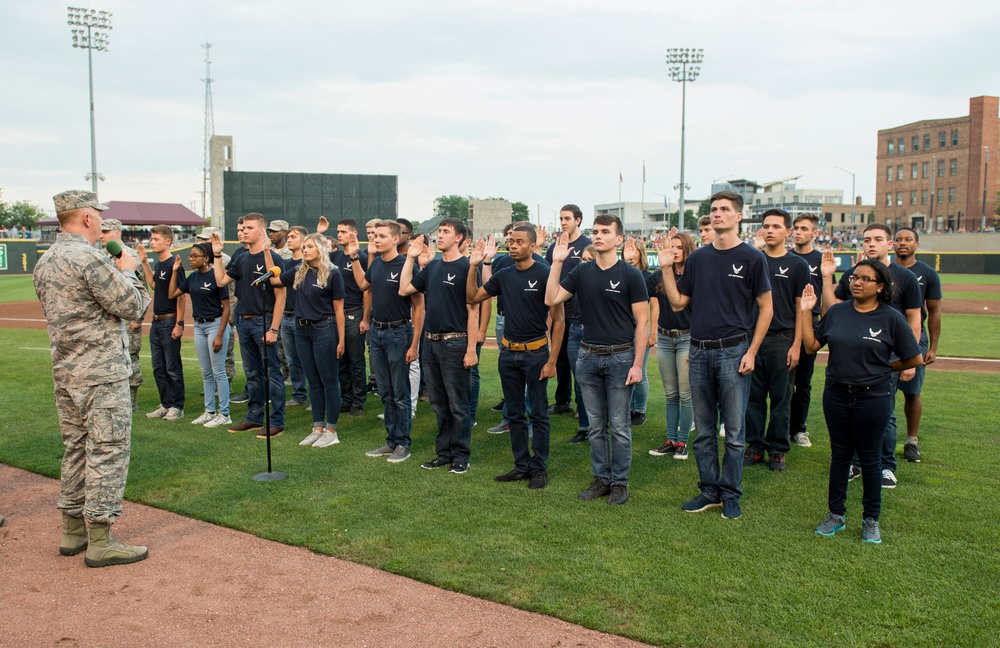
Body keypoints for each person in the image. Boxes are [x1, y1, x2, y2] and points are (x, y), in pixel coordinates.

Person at [33, 189, 151, 567]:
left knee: (76, 448)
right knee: (107, 449)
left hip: (66, 372)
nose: (101, 221)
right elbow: (133, 305)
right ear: (86, 218)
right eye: (97, 215)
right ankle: (101, 538)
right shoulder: (88, 258)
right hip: (101, 373)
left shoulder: (47, 260)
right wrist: (129, 268)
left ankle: (72, 530)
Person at [657, 192, 773, 520]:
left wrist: (752, 351)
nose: (718, 214)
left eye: (725, 210)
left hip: (734, 351)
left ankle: (730, 493)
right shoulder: (698, 259)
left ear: (738, 216)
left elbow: (766, 307)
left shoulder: (752, 258)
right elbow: (678, 302)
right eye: (714, 210)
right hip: (699, 351)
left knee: (734, 433)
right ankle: (709, 490)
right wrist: (667, 268)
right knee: (705, 430)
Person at [802, 261, 922, 544]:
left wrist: (883, 368)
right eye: (854, 277)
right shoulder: (837, 313)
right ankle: (836, 515)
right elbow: (811, 346)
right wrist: (805, 312)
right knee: (840, 457)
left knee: (870, 459)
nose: (856, 282)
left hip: (873, 397)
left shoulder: (891, 318)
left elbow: (914, 357)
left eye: (865, 279)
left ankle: (871, 520)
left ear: (880, 287)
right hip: (836, 395)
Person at [546, 215, 648, 505]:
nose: (598, 235)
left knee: (619, 426)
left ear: (619, 239)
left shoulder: (631, 274)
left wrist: (638, 364)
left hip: (620, 358)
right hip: (588, 357)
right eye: (595, 231)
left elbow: (643, 322)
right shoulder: (581, 272)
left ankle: (620, 483)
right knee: (595, 426)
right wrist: (556, 262)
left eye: (606, 232)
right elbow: (552, 298)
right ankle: (601, 479)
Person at [822, 223, 922, 489]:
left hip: (886, 357)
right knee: (853, 414)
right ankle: (855, 463)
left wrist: (906, 360)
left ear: (889, 244)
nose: (871, 244)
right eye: (867, 240)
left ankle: (886, 466)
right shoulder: (853, 275)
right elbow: (834, 311)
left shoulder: (906, 278)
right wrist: (828, 278)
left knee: (885, 415)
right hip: (855, 357)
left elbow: (914, 317)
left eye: (878, 239)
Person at [469, 227, 564, 489]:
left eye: (519, 242)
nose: (512, 246)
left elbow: (559, 320)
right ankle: (521, 465)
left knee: (539, 414)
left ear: (532, 246)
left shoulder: (545, 273)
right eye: (510, 241)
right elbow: (473, 297)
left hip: (536, 355)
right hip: (508, 354)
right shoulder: (503, 274)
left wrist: (552, 360)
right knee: (515, 414)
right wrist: (473, 267)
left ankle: (539, 468)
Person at [399, 219, 479, 474]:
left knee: (458, 403)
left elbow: (473, 309)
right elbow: (404, 290)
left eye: (446, 232)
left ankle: (461, 456)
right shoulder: (432, 267)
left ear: (459, 238)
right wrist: (410, 259)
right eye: (439, 231)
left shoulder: (467, 267)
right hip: (430, 342)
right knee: (438, 403)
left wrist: (469, 349)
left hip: (455, 342)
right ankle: (443, 453)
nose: (440, 235)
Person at [743, 209, 809, 473]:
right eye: (766, 226)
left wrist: (796, 344)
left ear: (787, 232)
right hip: (753, 339)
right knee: (753, 396)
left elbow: (801, 308)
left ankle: (778, 449)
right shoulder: (753, 260)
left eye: (776, 227)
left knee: (781, 398)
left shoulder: (797, 265)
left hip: (783, 338)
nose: (769, 231)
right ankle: (756, 446)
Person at [352, 220, 424, 463]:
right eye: (374, 236)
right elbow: (363, 285)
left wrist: (414, 344)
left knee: (399, 392)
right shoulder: (378, 264)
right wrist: (354, 259)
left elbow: (419, 307)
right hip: (378, 333)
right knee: (385, 391)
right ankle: (391, 440)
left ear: (396, 239)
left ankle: (403, 443)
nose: (376, 239)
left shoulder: (406, 264)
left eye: (382, 236)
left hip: (398, 333)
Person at [210, 214, 287, 438]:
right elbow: (221, 281)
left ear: (261, 231)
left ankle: (277, 422)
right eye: (242, 228)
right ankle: (254, 418)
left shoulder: (273, 259)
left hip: (263, 321)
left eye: (249, 228)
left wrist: (273, 329)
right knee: (252, 373)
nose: (243, 231)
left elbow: (281, 297)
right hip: (244, 322)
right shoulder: (241, 258)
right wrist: (216, 255)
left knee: (272, 373)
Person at [269, 233, 345, 447]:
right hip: (302, 331)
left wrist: (341, 340)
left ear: (320, 248)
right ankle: (317, 427)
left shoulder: (333, 274)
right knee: (313, 381)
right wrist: (267, 253)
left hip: (324, 329)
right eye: (304, 247)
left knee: (329, 381)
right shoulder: (298, 271)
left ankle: (331, 431)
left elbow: (339, 309)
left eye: (309, 246)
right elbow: (274, 280)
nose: (305, 250)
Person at [168, 242, 232, 428]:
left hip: (215, 325)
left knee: (218, 371)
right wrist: (174, 271)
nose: (191, 259)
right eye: (190, 256)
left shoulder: (217, 276)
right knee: (206, 372)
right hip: (199, 326)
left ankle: (225, 413)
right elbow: (172, 294)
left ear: (206, 258)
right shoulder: (193, 277)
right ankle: (209, 411)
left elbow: (226, 308)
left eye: (195, 256)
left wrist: (220, 334)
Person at [892, 227, 942, 463]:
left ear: (917, 244)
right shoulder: (882, 271)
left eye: (908, 239)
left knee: (912, 392)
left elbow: (933, 311)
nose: (903, 243)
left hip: (914, 339)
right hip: (883, 339)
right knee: (882, 394)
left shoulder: (927, 273)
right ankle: (881, 442)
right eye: (899, 239)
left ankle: (912, 441)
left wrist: (931, 347)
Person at [647, 232, 695, 460]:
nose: (675, 251)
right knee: (671, 394)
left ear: (688, 249)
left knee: (686, 394)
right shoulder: (659, 275)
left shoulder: (695, 275)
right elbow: (635, 283)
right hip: (665, 339)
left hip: (688, 338)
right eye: (672, 247)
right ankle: (670, 439)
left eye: (679, 247)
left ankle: (683, 441)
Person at [545, 204, 591, 420]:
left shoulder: (587, 245)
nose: (563, 222)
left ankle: (583, 404)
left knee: (579, 361)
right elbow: (548, 275)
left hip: (579, 309)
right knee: (560, 356)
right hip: (557, 307)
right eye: (561, 218)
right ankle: (563, 401)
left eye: (567, 218)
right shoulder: (554, 247)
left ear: (578, 220)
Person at [137, 224, 186, 421]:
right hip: (156, 323)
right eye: (152, 239)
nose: (152, 242)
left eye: (156, 239)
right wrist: (145, 263)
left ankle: (177, 406)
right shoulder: (159, 264)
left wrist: (179, 323)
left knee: (172, 366)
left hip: (169, 321)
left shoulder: (175, 263)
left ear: (168, 241)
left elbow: (181, 296)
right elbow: (155, 285)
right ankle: (166, 403)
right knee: (158, 366)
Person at [99, 218, 147, 411]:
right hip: (108, 317)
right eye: (101, 232)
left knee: (131, 356)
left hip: (128, 317)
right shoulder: (100, 255)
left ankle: (132, 401)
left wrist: (137, 317)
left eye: (106, 231)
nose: (101, 235)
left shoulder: (129, 256)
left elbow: (140, 287)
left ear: (116, 233)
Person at [788, 213, 824, 448]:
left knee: (803, 383)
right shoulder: (785, 257)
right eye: (796, 228)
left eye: (804, 228)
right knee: (779, 383)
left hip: (811, 325)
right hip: (785, 326)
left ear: (815, 233)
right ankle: (778, 427)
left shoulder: (822, 260)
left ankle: (799, 428)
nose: (798, 232)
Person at [330, 219, 370, 416]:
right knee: (341, 359)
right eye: (338, 231)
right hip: (336, 315)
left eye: (344, 231)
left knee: (355, 360)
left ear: (354, 234)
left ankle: (358, 402)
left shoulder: (361, 257)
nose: (339, 234)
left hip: (354, 313)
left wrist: (365, 318)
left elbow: (367, 290)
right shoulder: (335, 256)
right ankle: (345, 399)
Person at [197, 226, 237, 394]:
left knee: (225, 350)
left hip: (224, 309)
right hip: (209, 310)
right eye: (202, 239)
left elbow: (232, 290)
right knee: (208, 351)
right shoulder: (202, 260)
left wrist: (231, 314)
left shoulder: (225, 260)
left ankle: (225, 384)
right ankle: (212, 384)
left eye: (207, 239)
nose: (203, 242)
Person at [622, 236, 656, 426]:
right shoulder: (621, 273)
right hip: (622, 332)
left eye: (635, 250)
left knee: (639, 370)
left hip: (640, 330)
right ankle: (627, 408)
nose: (631, 254)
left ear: (641, 253)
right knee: (624, 372)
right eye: (628, 250)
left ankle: (640, 410)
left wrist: (653, 333)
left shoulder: (647, 277)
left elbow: (655, 307)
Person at [275, 226, 310, 408]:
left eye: (293, 237)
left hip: (302, 318)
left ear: (304, 241)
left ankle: (315, 396)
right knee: (292, 360)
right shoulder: (286, 264)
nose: (289, 239)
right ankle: (299, 394)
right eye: (288, 236)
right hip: (286, 317)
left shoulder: (309, 264)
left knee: (309, 359)